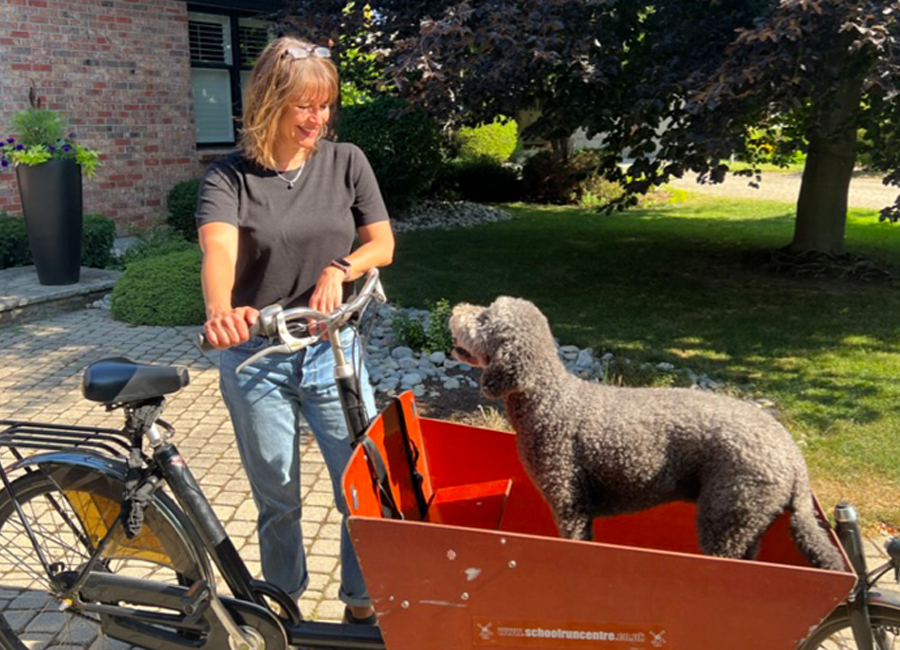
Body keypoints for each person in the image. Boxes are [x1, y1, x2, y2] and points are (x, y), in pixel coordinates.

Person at [196, 35, 394, 625]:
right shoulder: (228, 177)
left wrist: (343, 267)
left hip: (333, 349)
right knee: (277, 497)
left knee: (360, 486)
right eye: (304, 105)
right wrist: (220, 312)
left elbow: (381, 244)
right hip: (258, 358)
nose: (318, 118)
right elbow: (218, 250)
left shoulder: (346, 161)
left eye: (325, 105)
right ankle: (282, 606)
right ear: (269, 103)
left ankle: (361, 602)